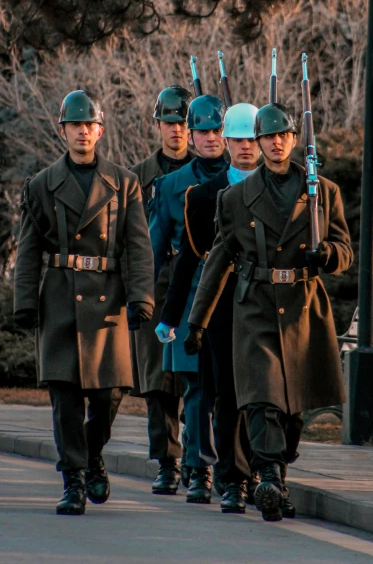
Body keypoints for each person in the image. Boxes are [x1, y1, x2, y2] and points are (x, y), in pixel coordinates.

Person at [186, 102, 354, 522]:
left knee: (293, 411)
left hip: (303, 309)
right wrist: (196, 321)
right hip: (256, 306)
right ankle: (268, 477)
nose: (276, 142)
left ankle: (279, 467)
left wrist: (327, 254)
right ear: (258, 142)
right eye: (268, 136)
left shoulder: (322, 192)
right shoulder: (236, 198)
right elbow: (219, 260)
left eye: (283, 135)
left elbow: (346, 251)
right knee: (262, 399)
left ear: (294, 139)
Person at [14, 90, 154, 516]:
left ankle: (92, 456)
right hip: (59, 296)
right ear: (62, 131)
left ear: (100, 129)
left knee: (110, 393)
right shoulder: (41, 185)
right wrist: (25, 302)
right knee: (66, 397)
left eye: (88, 125)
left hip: (108, 298)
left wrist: (141, 296)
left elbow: (138, 246)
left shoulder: (125, 182)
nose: (82, 132)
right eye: (74, 125)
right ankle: (73, 477)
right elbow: (28, 248)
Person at [161, 103, 259, 514]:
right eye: (237, 139)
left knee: (266, 395)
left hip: (265, 304)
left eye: (249, 139)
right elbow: (187, 256)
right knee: (221, 394)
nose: (243, 147)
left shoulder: (284, 188)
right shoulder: (203, 195)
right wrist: (170, 314)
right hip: (217, 303)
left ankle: (264, 471)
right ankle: (229, 476)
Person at [150, 94, 227, 504]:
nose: (211, 138)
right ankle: (198, 469)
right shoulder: (170, 186)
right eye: (203, 131)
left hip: (235, 296)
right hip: (190, 294)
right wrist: (151, 305)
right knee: (197, 388)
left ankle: (236, 469)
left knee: (231, 390)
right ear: (191, 136)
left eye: (218, 130)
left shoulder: (245, 175)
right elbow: (155, 248)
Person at [129, 86, 194, 496]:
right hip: (155, 283)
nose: (176, 131)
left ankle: (197, 458)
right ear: (157, 125)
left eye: (183, 123)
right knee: (157, 381)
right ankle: (167, 462)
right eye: (169, 123)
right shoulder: (139, 176)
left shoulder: (211, 168)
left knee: (197, 378)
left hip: (195, 285)